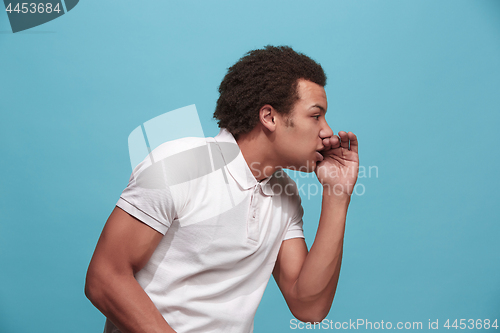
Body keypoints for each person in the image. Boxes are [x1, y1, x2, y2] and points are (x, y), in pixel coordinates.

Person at [85, 45, 359, 333]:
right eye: (316, 116)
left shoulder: (285, 194)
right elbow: (105, 279)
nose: (327, 131)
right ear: (269, 117)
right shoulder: (180, 165)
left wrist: (337, 194)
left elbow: (309, 307)